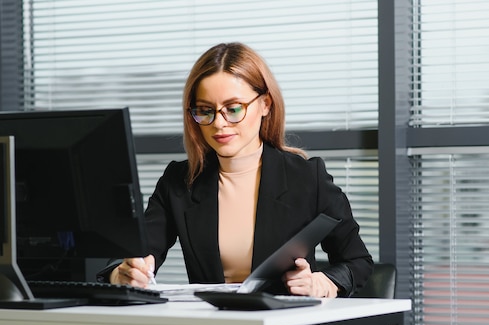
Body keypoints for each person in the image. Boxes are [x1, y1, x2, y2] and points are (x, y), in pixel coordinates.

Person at [99, 42, 373, 298]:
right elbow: (136, 254)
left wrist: (322, 283)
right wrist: (122, 274)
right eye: (205, 110)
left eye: (232, 108)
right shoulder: (179, 182)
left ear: (265, 104)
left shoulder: (307, 177)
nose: (219, 124)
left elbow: (357, 262)